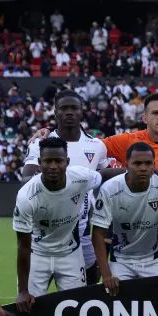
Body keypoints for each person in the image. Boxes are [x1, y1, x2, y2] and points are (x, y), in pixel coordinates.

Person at [23, 90, 115, 285]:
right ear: (56, 112)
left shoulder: (97, 145)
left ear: (82, 111)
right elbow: (26, 178)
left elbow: (106, 177)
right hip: (47, 226)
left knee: (86, 289)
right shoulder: (41, 143)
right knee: (36, 293)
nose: (69, 112)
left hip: (83, 228)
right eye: (64, 108)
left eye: (74, 108)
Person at [13, 137, 104, 313]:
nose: (53, 166)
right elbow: (23, 246)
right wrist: (23, 291)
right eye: (48, 161)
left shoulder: (80, 177)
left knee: (77, 311)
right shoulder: (26, 196)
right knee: (29, 310)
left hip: (70, 254)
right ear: (39, 163)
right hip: (37, 255)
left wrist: (135, 171)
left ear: (67, 162)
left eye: (59, 161)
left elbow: (104, 175)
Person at [101, 92, 158, 265]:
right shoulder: (128, 141)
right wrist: (47, 135)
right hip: (138, 232)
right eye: (155, 113)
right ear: (144, 117)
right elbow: (89, 147)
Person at [90, 142, 158, 295]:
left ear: (154, 165)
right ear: (127, 164)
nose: (143, 168)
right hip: (121, 260)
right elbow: (97, 234)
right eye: (137, 163)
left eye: (148, 163)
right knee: (118, 306)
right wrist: (107, 275)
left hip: (155, 258)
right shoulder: (110, 188)